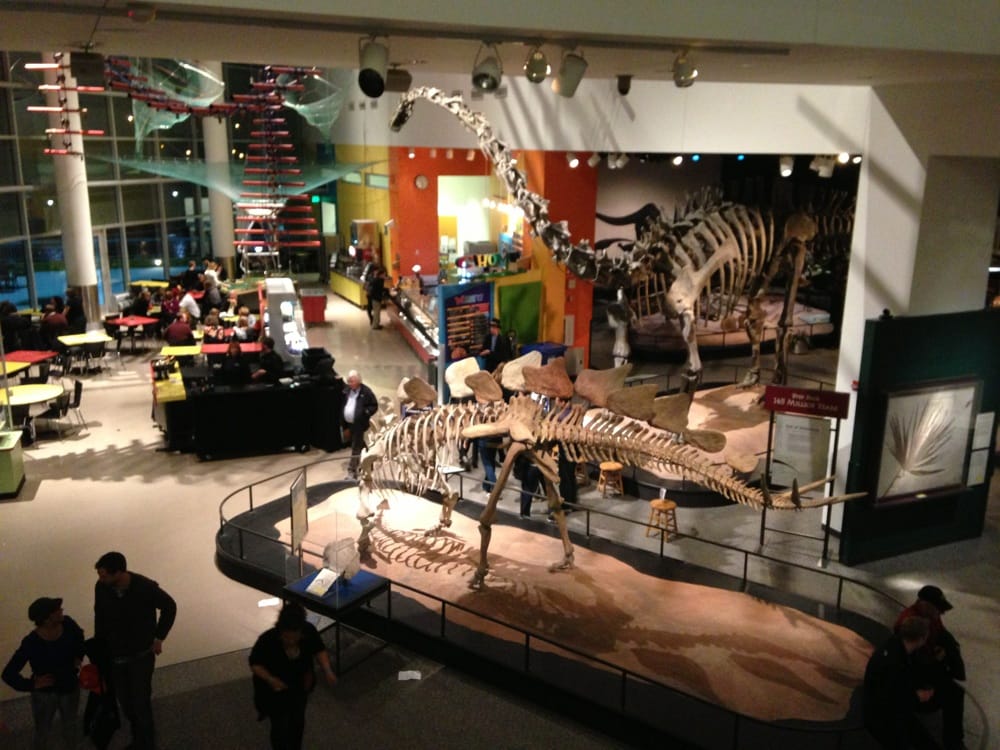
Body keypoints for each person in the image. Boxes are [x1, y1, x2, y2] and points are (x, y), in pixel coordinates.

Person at [94, 551, 176, 750]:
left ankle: (146, 744)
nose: (100, 579)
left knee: (140, 703)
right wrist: (99, 647)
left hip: (141, 655)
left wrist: (159, 637)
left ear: (119, 572)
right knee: (126, 703)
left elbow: (169, 606)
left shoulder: (145, 587)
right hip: (116, 656)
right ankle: (139, 738)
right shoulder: (102, 587)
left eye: (104, 575)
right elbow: (100, 615)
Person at [249, 602, 336, 750]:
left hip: (299, 687)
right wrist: (270, 679)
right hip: (275, 691)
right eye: (286, 637)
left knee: (297, 722)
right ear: (280, 630)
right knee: (279, 727)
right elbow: (255, 664)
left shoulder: (308, 631)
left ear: (301, 631)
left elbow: (319, 649)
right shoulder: (267, 640)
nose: (290, 641)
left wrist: (327, 670)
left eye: (295, 638)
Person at [2, 596, 86, 749]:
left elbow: (80, 636)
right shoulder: (31, 642)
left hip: (69, 687)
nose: (62, 611)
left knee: (70, 726)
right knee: (43, 730)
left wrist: (78, 656)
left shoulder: (67, 623)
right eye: (57, 610)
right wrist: (32, 684)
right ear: (47, 619)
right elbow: (8, 673)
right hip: (45, 695)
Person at [894, 586, 966, 749]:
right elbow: (908, 658)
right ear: (925, 605)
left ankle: (953, 740)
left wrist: (944, 653)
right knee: (953, 694)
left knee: (954, 691)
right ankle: (953, 742)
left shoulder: (931, 617)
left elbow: (941, 634)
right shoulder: (909, 622)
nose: (941, 613)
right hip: (919, 673)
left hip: (929, 664)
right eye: (938, 609)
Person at [864, 615, 942, 750]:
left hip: (890, 708)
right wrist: (917, 696)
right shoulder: (894, 661)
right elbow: (890, 697)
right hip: (881, 716)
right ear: (921, 638)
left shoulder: (896, 645)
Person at [342, 369, 378, 478]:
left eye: (351, 381)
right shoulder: (346, 391)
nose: (349, 383)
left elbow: (374, 405)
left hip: (359, 424)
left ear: (358, 381)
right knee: (360, 444)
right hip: (348, 424)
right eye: (348, 381)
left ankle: (352, 471)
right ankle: (369, 461)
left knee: (356, 447)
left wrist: (365, 413)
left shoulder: (366, 392)